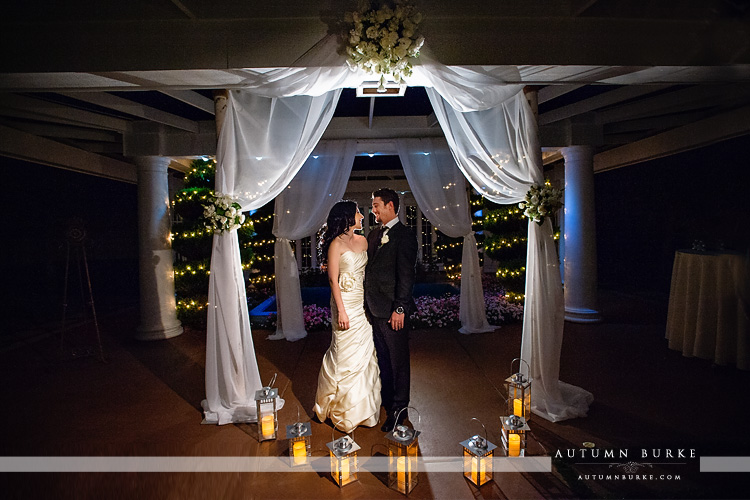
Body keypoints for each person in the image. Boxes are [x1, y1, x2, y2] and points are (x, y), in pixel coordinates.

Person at [313, 201, 381, 433]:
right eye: (358, 213)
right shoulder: (335, 244)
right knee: (342, 351)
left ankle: (362, 410)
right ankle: (339, 407)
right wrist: (341, 310)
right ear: (347, 217)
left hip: (362, 304)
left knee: (364, 352)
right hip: (344, 304)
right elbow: (333, 279)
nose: (362, 216)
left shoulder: (363, 241)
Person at [365, 188, 418, 432]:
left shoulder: (405, 236)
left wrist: (400, 308)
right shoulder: (374, 234)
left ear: (390, 205)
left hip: (392, 312)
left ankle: (399, 409)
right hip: (374, 311)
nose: (373, 210)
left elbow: (406, 277)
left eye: (376, 205)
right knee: (383, 361)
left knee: (398, 363)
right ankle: (387, 403)